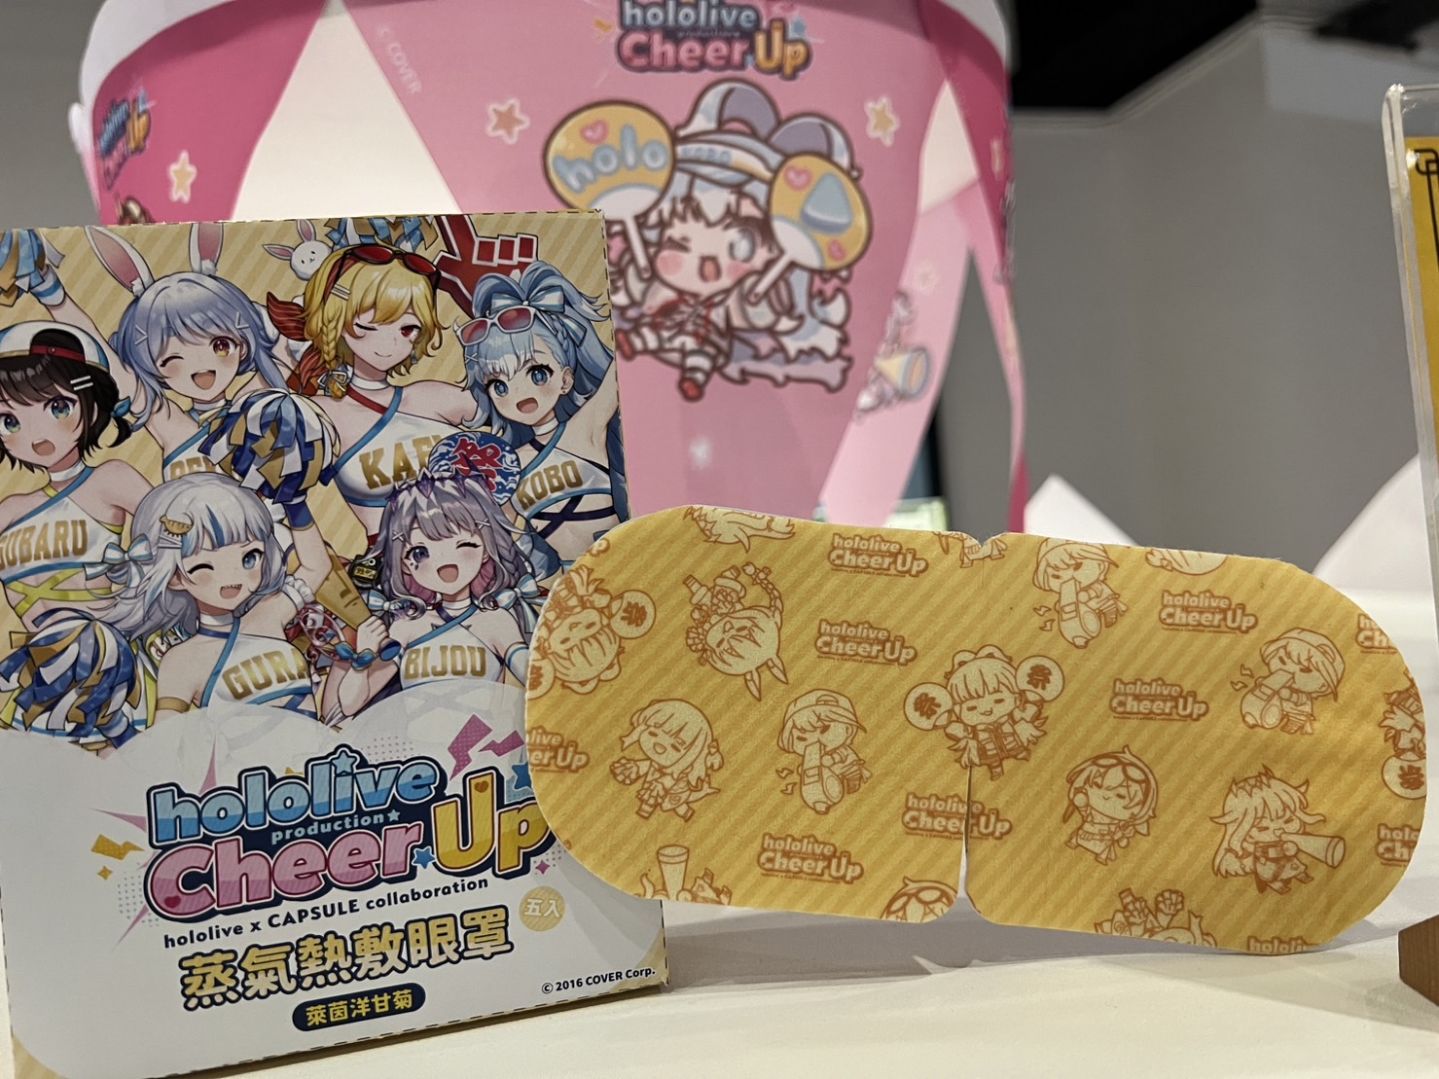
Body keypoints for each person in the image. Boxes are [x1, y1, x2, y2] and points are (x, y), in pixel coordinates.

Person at [463, 260, 626, 566]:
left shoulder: (584, 429)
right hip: (570, 577)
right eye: (500, 385)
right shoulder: (508, 464)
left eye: (537, 373)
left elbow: (619, 372)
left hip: (623, 559)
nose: (519, 393)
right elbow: (509, 532)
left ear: (565, 379)